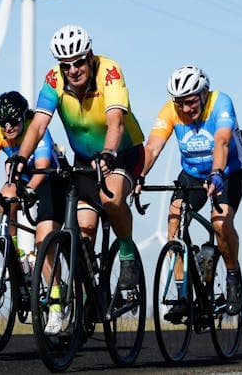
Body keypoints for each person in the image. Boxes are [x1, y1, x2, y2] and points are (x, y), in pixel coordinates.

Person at [9, 24, 146, 299]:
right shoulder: (53, 80)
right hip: (84, 160)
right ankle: (87, 299)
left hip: (122, 153)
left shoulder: (109, 72)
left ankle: (128, 254)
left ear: (90, 56)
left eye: (79, 62)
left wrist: (108, 153)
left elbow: (116, 123)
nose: (73, 70)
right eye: (66, 65)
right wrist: (21, 157)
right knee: (82, 236)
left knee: (110, 199)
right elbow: (37, 126)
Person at [137, 65, 242, 318]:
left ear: (204, 93)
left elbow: (221, 141)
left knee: (220, 224)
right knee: (174, 223)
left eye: (190, 102)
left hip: (229, 170)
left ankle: (233, 277)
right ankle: (183, 295)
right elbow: (153, 148)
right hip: (192, 174)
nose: (186, 109)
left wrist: (217, 173)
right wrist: (138, 176)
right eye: (180, 104)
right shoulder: (171, 111)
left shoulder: (220, 103)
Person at [0, 91, 61, 273]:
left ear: (24, 116)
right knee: (5, 195)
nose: (7, 128)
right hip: (24, 180)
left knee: (43, 240)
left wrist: (29, 190)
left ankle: (55, 295)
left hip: (48, 180)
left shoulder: (35, 129)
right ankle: (15, 252)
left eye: (13, 122)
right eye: (2, 123)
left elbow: (41, 166)